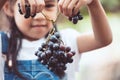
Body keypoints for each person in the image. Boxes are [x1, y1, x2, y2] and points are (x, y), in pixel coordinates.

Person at [0, 0, 112, 80]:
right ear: (8, 8)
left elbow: (103, 40)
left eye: (48, 6)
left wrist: (93, 3)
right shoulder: (2, 43)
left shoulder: (65, 41)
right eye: (28, 7)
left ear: (58, 7)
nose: (39, 16)